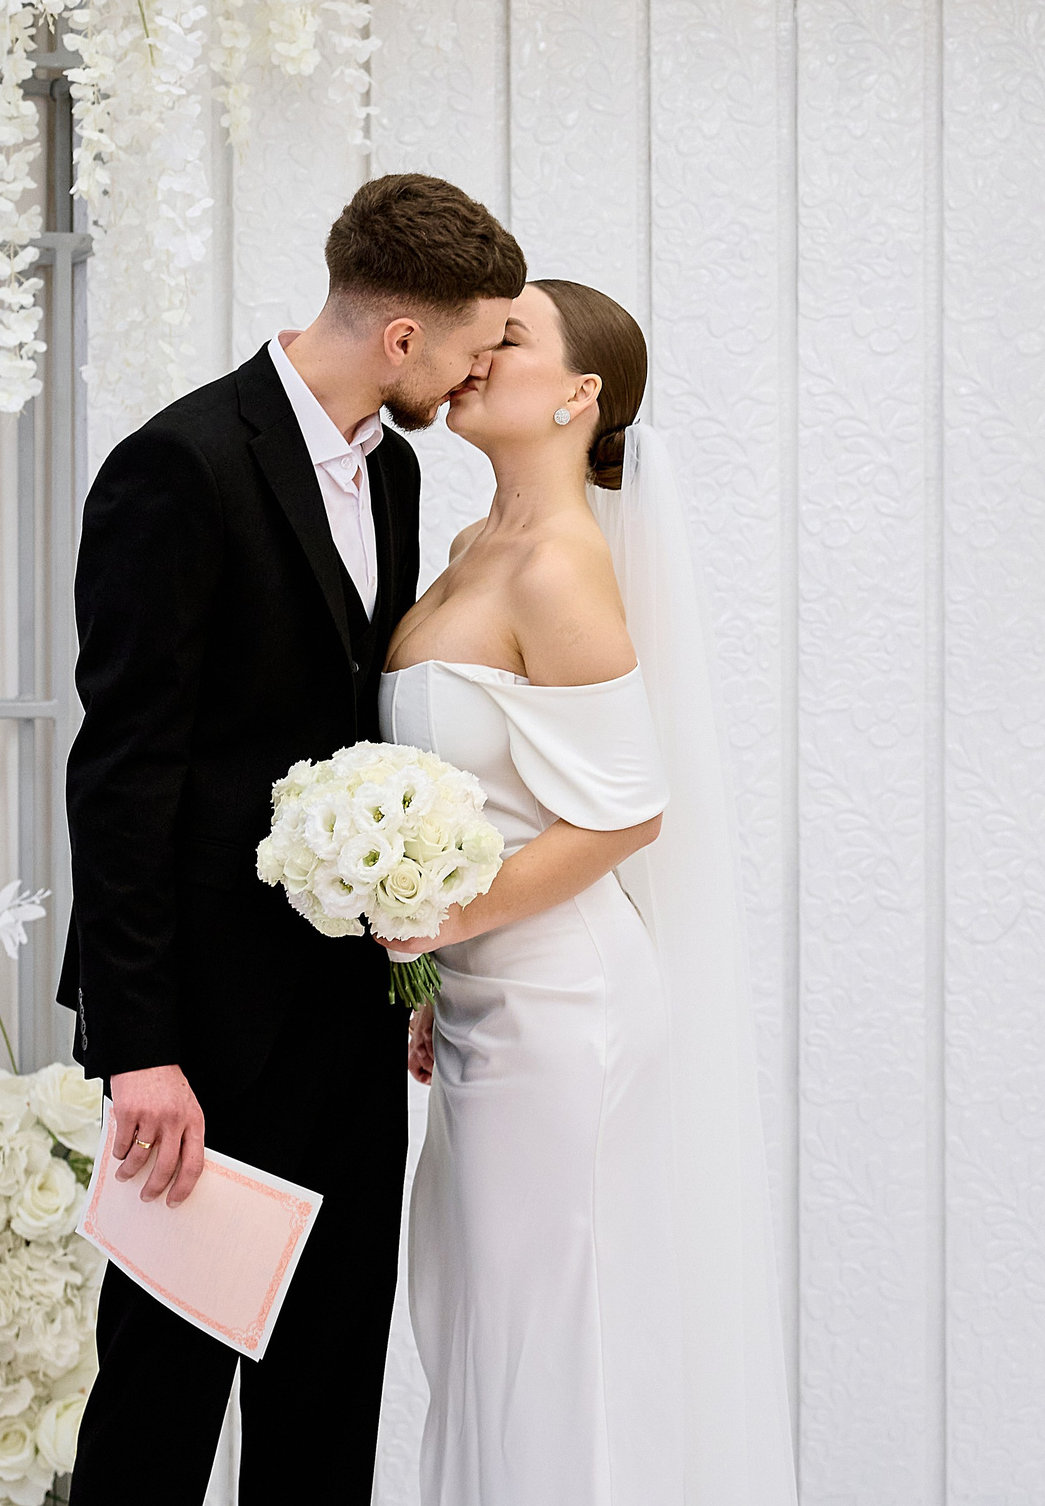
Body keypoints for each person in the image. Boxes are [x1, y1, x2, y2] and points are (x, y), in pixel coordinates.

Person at [59, 173, 523, 1503]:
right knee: (160, 1400)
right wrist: (140, 1044)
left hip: (348, 1021)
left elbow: (363, 745)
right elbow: (124, 767)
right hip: (201, 1034)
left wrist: (412, 975)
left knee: (328, 1399)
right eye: (477, 342)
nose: (483, 365)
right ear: (402, 338)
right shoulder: (179, 465)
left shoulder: (395, 470)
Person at [378, 279, 799, 1504]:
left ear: (579, 395)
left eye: (506, 337)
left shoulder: (562, 564)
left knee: (555, 1346)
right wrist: (429, 966)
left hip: (563, 1011)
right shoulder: (470, 548)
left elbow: (625, 810)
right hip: (475, 1005)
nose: (472, 352)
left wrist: (450, 918)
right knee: (479, 1329)